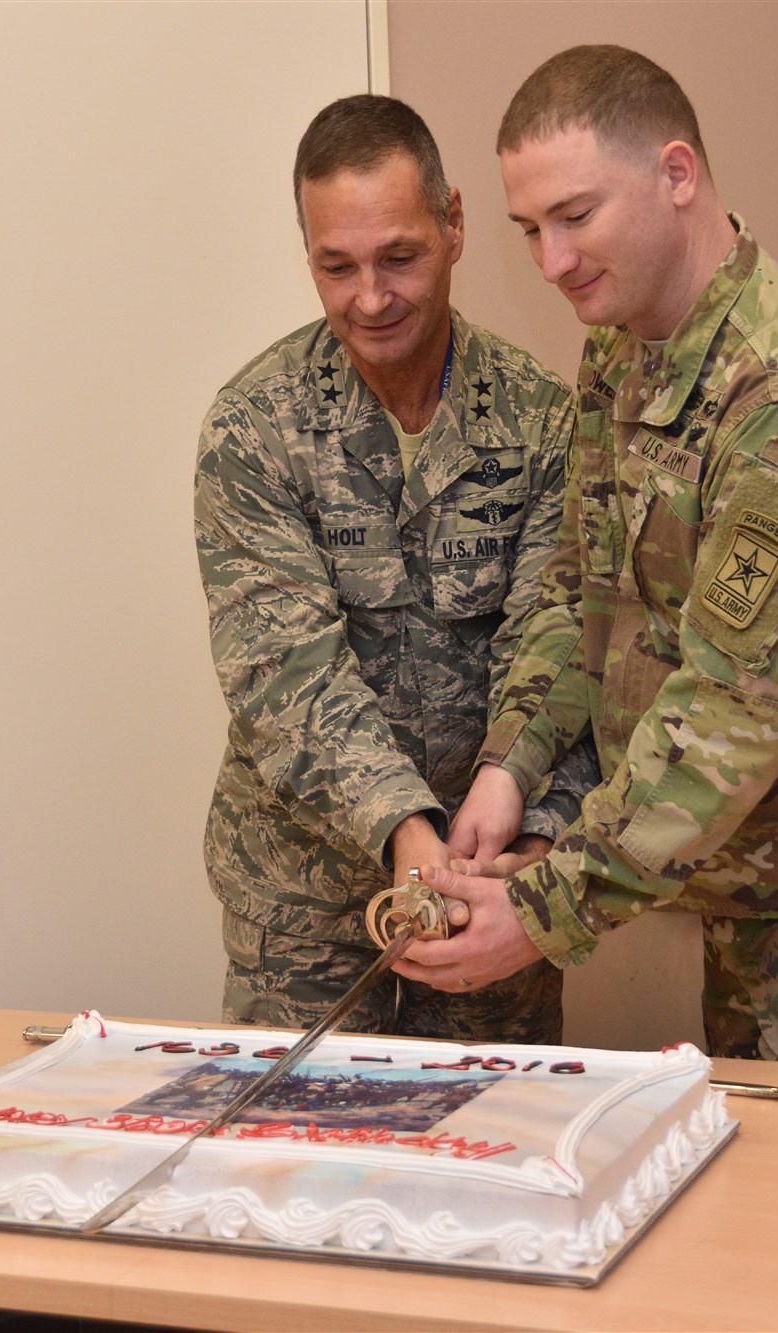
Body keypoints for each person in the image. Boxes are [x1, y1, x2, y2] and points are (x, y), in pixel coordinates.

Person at [398, 47, 778, 1073]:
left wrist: (545, 909)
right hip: (754, 905)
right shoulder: (626, 343)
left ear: (675, 175)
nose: (550, 261)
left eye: (574, 217)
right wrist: (511, 765)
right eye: (528, 230)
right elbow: (579, 592)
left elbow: (731, 713)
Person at [194, 94, 595, 1043]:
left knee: (489, 1153)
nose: (370, 298)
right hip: (300, 909)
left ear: (454, 223)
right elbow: (285, 672)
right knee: (296, 1168)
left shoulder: (542, 419)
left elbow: (565, 634)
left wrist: (527, 838)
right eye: (337, 267)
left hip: (491, 888)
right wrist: (406, 830)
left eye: (399, 257)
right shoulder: (254, 429)